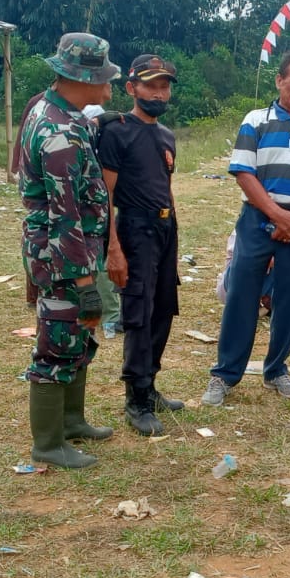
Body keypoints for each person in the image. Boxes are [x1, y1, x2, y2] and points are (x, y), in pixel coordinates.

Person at [202, 51, 290, 407]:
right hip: (257, 220)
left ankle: (276, 370)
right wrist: (277, 215)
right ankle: (225, 374)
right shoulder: (255, 121)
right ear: (279, 81)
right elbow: (244, 173)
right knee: (241, 296)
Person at [17, 33, 121, 470]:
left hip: (69, 251)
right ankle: (48, 443)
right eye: (106, 79)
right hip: (62, 256)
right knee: (57, 342)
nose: (110, 87)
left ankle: (72, 421)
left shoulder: (61, 114)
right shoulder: (58, 132)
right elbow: (65, 215)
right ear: (86, 80)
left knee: (78, 334)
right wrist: (85, 282)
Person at [96, 54, 185, 436]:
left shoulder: (166, 136)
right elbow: (106, 194)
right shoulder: (117, 131)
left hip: (164, 229)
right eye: (151, 86)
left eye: (164, 86)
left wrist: (173, 238)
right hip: (134, 229)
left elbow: (166, 187)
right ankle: (136, 399)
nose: (159, 93)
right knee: (138, 313)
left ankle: (150, 385)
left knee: (163, 308)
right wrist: (112, 248)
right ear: (131, 88)